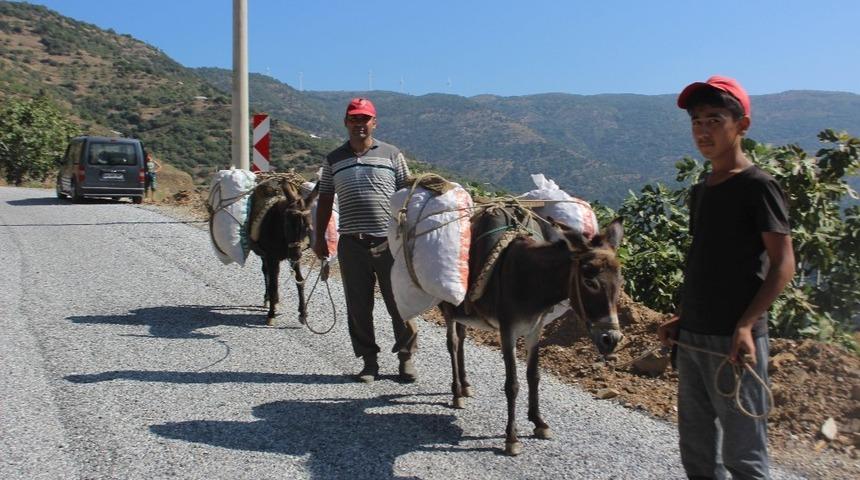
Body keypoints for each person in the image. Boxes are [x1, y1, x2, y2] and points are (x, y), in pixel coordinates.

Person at [657, 76, 795, 480]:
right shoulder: (703, 189)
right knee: (697, 453)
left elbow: (783, 262)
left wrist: (747, 325)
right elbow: (707, 262)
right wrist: (684, 316)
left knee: (743, 455)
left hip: (734, 343)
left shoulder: (759, 187)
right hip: (695, 337)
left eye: (714, 119)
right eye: (696, 121)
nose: (703, 130)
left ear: (742, 125)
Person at [312, 98, 419, 383]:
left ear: (374, 122)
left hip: (388, 242)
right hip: (351, 242)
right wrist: (319, 236)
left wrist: (409, 236)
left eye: (365, 119)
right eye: (354, 119)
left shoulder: (392, 154)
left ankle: (406, 357)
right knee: (358, 306)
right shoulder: (334, 159)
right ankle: (369, 362)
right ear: (346, 123)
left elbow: (407, 195)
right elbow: (325, 199)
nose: (359, 124)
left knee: (399, 301)